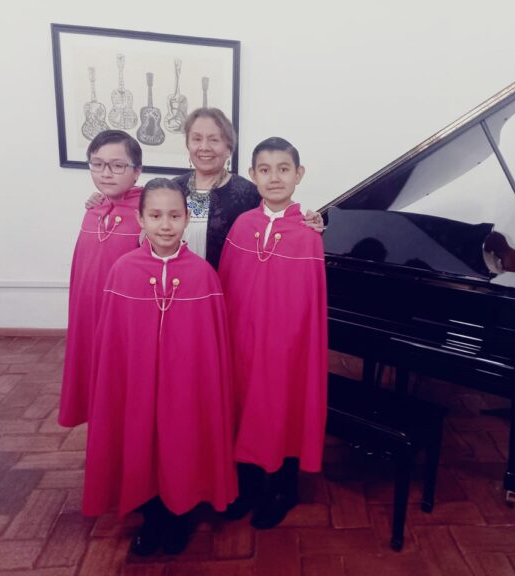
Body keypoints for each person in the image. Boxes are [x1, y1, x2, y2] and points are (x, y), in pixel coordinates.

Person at [82, 178, 238, 556]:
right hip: (136, 384)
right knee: (141, 438)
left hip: (186, 387)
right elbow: (113, 343)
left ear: (187, 219)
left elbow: (211, 347)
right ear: (140, 218)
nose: (165, 224)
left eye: (174, 215)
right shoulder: (122, 271)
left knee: (182, 440)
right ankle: (151, 515)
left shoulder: (203, 275)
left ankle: (179, 514)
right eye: (155, 215)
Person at [218, 137, 327, 529]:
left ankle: (283, 488)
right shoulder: (240, 222)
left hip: (285, 347)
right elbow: (229, 281)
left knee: (283, 405)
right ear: (252, 175)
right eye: (265, 169)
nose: (274, 177)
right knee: (243, 404)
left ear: (299, 174)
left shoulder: (307, 232)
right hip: (242, 341)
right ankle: (246, 486)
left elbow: (308, 302)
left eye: (284, 169)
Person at [84, 107, 324, 269]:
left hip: (225, 294)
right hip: (173, 288)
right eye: (197, 139)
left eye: (214, 139)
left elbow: (276, 222)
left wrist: (312, 221)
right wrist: (102, 201)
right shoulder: (171, 188)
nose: (204, 147)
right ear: (188, 144)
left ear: (229, 148)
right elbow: (138, 217)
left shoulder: (249, 193)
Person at [59, 130, 143, 427]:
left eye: (118, 165)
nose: (106, 173)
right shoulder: (93, 211)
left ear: (137, 171)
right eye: (97, 164)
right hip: (89, 313)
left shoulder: (148, 212)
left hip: (126, 321)